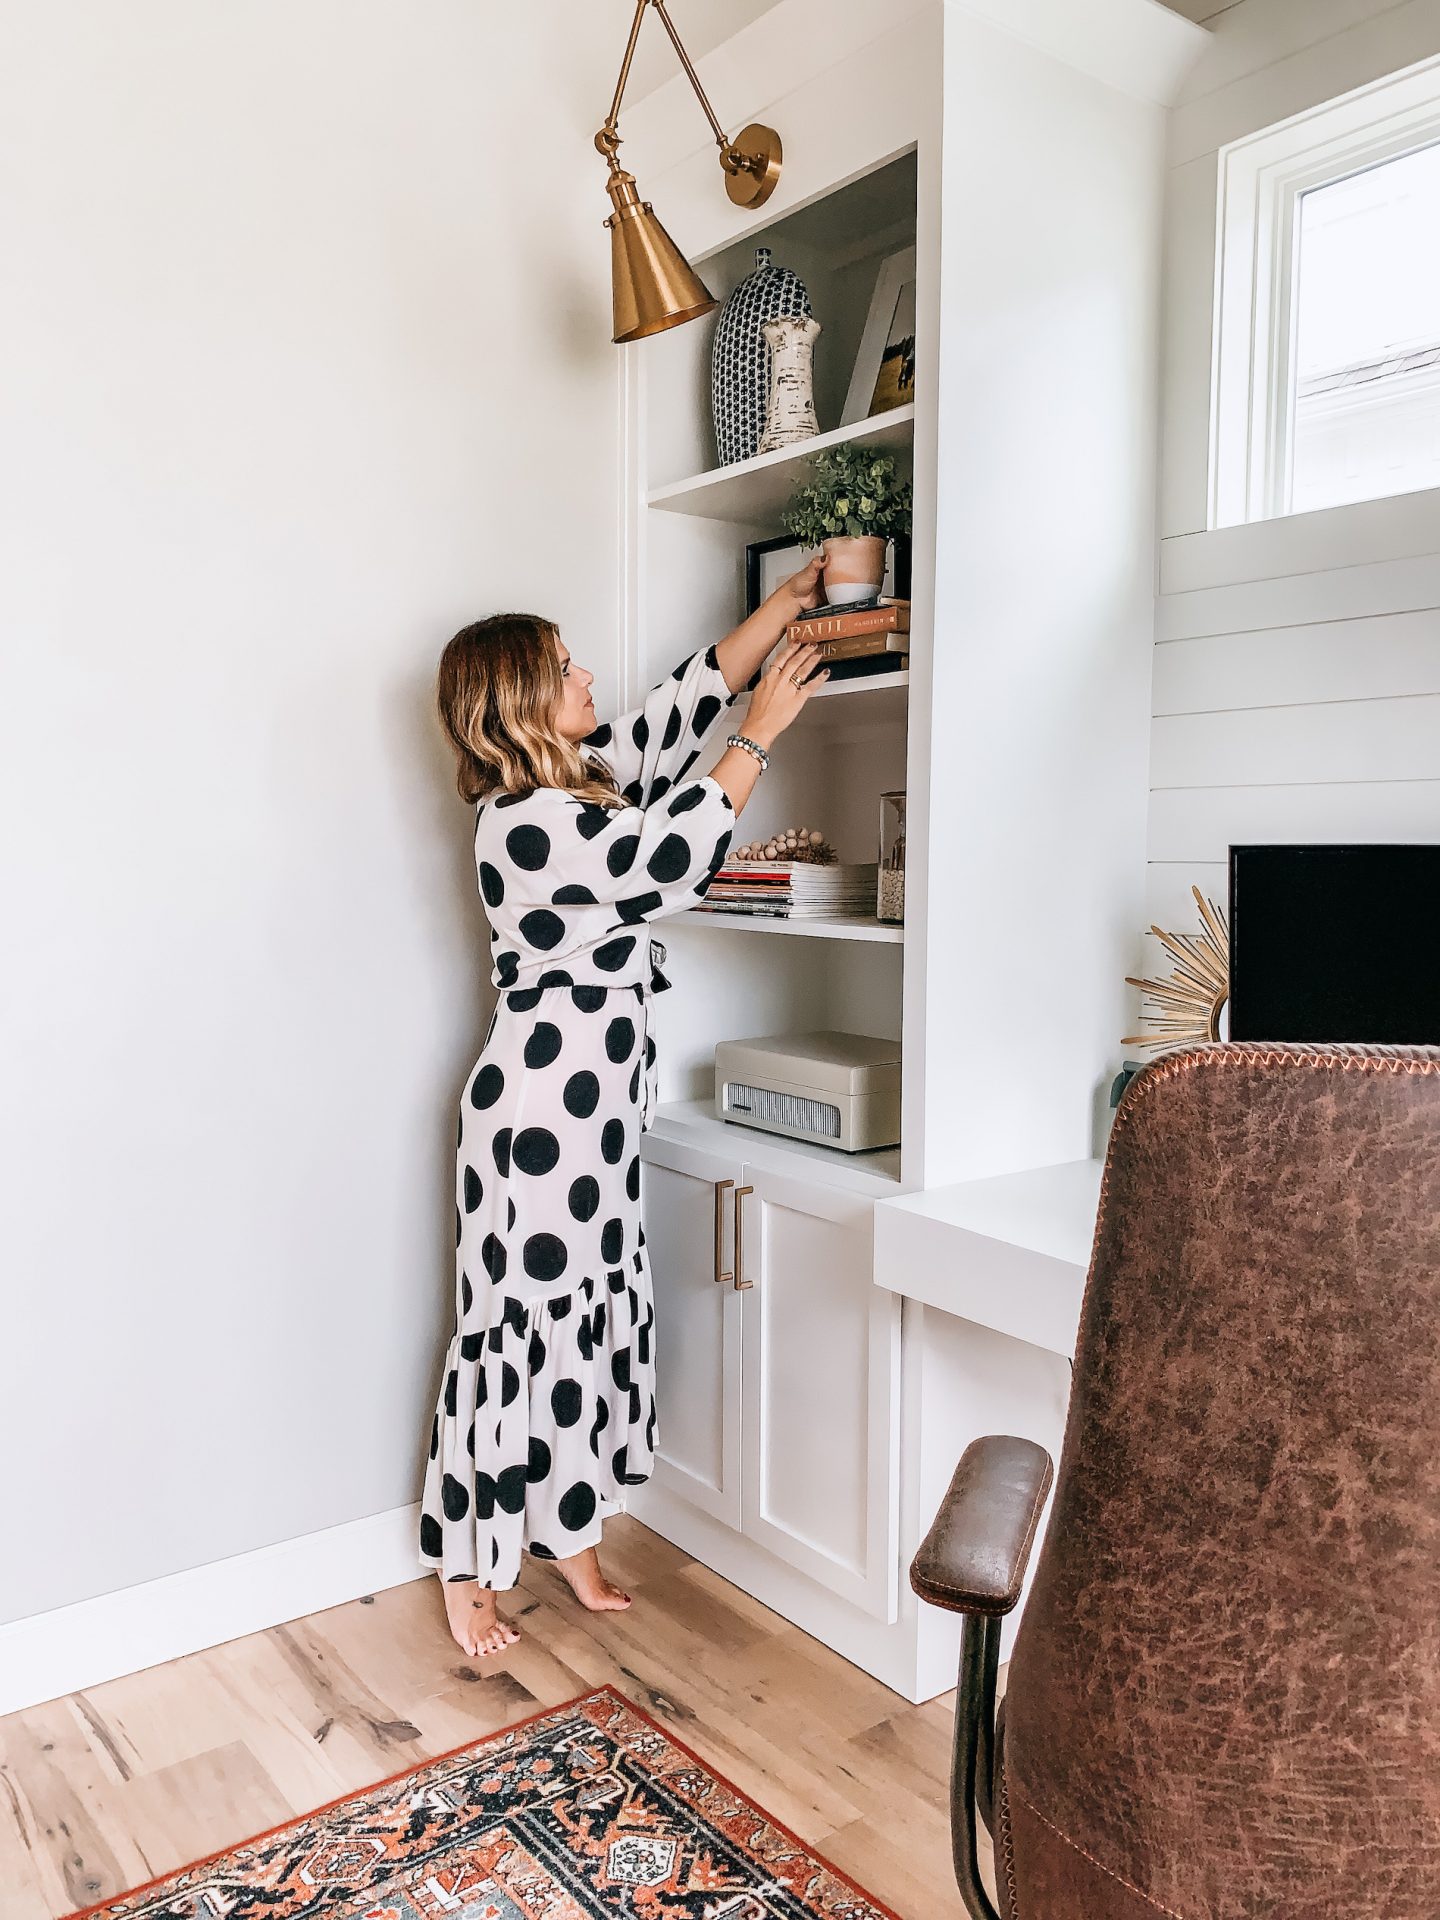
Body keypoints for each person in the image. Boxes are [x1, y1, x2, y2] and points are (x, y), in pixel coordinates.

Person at [421, 556, 830, 1657]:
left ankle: (570, 1535)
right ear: (521, 701)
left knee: (587, 1323)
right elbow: (668, 863)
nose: (588, 672)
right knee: (516, 1333)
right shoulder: (524, 822)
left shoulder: (576, 786)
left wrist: (777, 615)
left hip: (594, 1122)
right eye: (565, 666)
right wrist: (761, 735)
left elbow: (673, 709)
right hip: (537, 1127)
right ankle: (471, 1567)